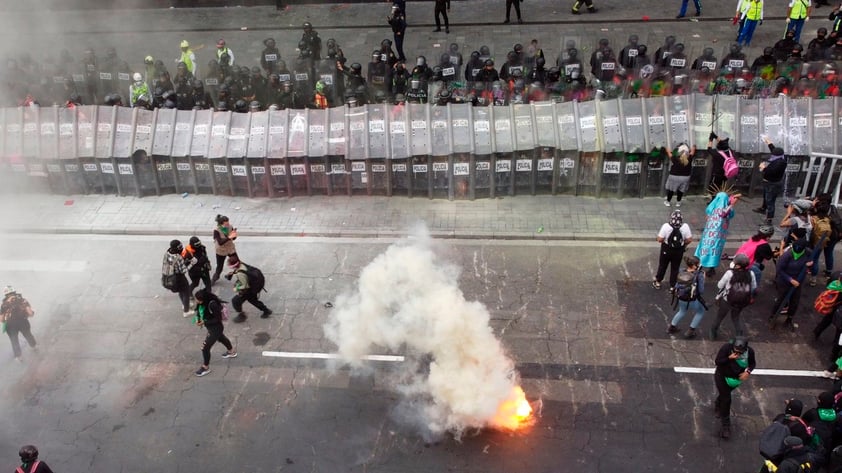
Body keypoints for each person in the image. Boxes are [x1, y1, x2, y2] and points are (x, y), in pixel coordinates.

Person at [713, 336, 755, 439]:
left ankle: (718, 403)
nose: (738, 353)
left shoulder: (750, 352)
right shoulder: (726, 348)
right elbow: (718, 361)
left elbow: (753, 363)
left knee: (724, 396)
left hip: (736, 379)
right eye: (736, 351)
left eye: (741, 352)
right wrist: (729, 358)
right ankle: (726, 426)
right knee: (727, 399)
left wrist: (748, 372)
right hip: (722, 376)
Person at [710, 253, 756, 339]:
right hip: (742, 301)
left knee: (720, 316)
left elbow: (719, 285)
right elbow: (753, 287)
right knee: (736, 318)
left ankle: (713, 332)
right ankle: (739, 335)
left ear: (738, 266)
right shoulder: (751, 274)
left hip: (727, 300)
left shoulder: (729, 273)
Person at [770, 239, 813, 330]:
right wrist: (790, 279)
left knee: (795, 302)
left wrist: (810, 265)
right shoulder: (787, 256)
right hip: (784, 281)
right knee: (781, 299)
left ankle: (789, 319)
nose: (797, 249)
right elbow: (779, 270)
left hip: (798, 282)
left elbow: (812, 262)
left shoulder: (808, 253)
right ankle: (772, 316)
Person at [193, 289, 237, 377]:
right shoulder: (202, 303)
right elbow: (199, 310)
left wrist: (204, 323)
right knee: (221, 338)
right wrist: (198, 319)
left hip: (216, 328)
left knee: (205, 348)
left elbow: (218, 319)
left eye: (198, 299)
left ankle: (205, 367)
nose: (196, 301)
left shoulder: (212, 305)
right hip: (211, 328)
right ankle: (231, 352)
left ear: (204, 299)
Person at [695, 191, 740, 277]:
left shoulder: (714, 207)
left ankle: (700, 266)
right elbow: (731, 214)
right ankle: (711, 268)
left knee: (705, 247)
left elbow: (708, 210)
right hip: (719, 236)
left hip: (709, 234)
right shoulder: (727, 208)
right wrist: (731, 204)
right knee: (714, 250)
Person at [667, 255, 706, 338]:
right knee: (700, 312)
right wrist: (703, 279)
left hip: (681, 297)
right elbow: (701, 290)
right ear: (694, 265)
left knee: (682, 311)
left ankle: (672, 327)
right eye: (698, 264)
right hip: (692, 299)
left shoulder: (681, 271)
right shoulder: (699, 275)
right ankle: (690, 331)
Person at [654, 210, 692, 291]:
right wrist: (682, 243)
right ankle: (672, 286)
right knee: (675, 268)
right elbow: (689, 239)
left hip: (666, 249)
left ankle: (658, 282)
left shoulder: (666, 226)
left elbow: (660, 239)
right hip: (678, 250)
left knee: (662, 266)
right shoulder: (685, 226)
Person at [226, 255, 272, 323]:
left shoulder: (240, 274)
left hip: (248, 290)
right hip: (253, 287)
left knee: (235, 301)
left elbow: (245, 286)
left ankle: (242, 315)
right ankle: (266, 311)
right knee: (253, 301)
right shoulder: (242, 264)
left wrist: (236, 288)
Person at [753, 137, 788, 224]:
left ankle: (769, 219)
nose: (771, 155)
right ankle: (763, 208)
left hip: (772, 184)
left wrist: (763, 168)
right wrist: (769, 142)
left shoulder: (778, 164)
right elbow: (774, 150)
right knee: (766, 196)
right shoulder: (781, 157)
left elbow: (771, 172)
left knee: (770, 201)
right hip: (769, 182)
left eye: (773, 155)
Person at [1, 286, 36, 362]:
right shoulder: (22, 300)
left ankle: (19, 358)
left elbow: (1, 319)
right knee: (28, 334)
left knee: (14, 340)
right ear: (14, 292)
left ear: (6, 295)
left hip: (10, 325)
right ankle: (34, 348)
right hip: (22, 321)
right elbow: (30, 313)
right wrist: (32, 313)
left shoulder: (4, 304)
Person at [163, 240, 193, 318]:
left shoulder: (167, 253)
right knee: (186, 292)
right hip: (179, 278)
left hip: (170, 277)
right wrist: (192, 263)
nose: (182, 248)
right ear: (177, 248)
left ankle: (184, 304)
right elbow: (184, 271)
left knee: (180, 291)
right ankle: (186, 311)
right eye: (180, 247)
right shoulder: (178, 257)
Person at [211, 215, 238, 284]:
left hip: (230, 248)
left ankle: (233, 276)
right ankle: (214, 279)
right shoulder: (216, 230)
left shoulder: (230, 226)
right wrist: (229, 237)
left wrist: (234, 234)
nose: (228, 225)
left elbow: (233, 238)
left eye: (228, 223)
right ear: (221, 224)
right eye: (226, 224)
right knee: (219, 267)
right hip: (221, 250)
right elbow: (220, 242)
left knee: (237, 263)